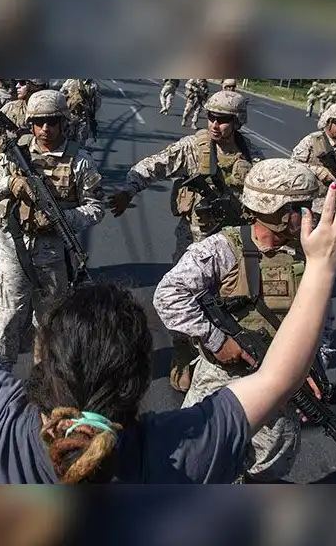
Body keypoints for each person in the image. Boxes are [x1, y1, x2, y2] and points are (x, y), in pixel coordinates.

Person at [0, 107, 336, 483]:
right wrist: (323, 269)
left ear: (44, 368)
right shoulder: (179, 451)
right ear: (140, 381)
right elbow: (279, 378)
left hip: (55, 258)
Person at [154, 159, 336, 483]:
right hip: (221, 377)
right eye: (300, 207)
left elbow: (322, 324)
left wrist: (313, 370)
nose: (308, 216)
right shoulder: (223, 248)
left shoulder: (310, 259)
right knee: (194, 460)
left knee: (266, 469)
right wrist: (216, 340)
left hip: (280, 388)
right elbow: (168, 295)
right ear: (274, 209)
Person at [109, 90, 264, 393]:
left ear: (238, 122)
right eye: (211, 117)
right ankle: (182, 352)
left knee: (232, 300)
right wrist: (129, 190)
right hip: (194, 238)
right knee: (185, 295)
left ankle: (222, 352)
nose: (215, 124)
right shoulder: (194, 147)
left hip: (234, 242)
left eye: (224, 119)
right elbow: (155, 165)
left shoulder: (253, 156)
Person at [0, 90, 106, 371]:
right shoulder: (15, 154)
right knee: (7, 320)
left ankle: (43, 380)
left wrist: (65, 219)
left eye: (52, 122)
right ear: (31, 123)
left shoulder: (81, 161)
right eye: (39, 122)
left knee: (50, 324)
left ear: (63, 123)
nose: (45, 129)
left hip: (55, 255)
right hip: (15, 249)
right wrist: (11, 184)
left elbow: (96, 208)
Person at [291, 102, 336, 214]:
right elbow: (292, 165)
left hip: (335, 208)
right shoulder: (312, 141)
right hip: (308, 204)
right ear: (328, 121)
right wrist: (317, 170)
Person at [61, 78, 101, 145]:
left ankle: (72, 152)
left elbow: (61, 95)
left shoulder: (69, 81)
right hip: (80, 115)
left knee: (72, 138)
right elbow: (97, 103)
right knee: (78, 139)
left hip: (74, 115)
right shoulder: (93, 84)